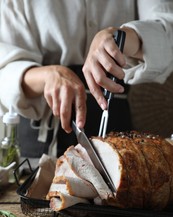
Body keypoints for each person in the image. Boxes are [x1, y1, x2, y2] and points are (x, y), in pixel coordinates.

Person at [0, 0, 173, 158]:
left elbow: (168, 33)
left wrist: (122, 38)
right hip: (37, 149)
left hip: (117, 139)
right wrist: (48, 76)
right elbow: (4, 69)